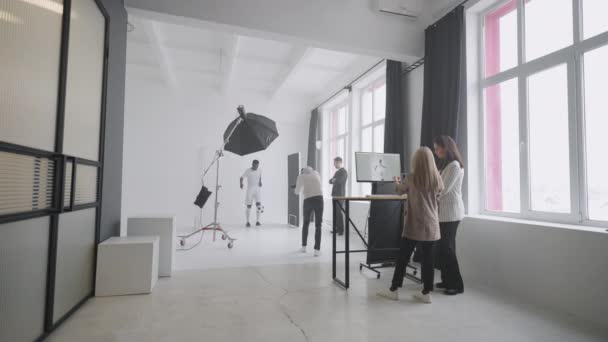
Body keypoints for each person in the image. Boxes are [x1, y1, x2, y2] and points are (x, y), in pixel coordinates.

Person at [377, 147, 444, 303]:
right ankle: (426, 293)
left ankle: (394, 290)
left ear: (416, 161)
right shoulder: (437, 178)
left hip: (415, 224)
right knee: (429, 260)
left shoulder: (411, 178)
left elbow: (400, 191)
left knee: (403, 258)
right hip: (432, 224)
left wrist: (396, 181)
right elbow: (438, 196)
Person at [433, 136, 465, 295]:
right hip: (445, 213)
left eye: (438, 147)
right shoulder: (447, 165)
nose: (436, 150)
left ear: (446, 148)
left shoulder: (454, 165)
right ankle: (447, 280)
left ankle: (456, 285)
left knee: (447, 249)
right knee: (443, 248)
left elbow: (443, 189)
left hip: (451, 213)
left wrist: (432, 193)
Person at [294, 166, 323, 256]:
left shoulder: (301, 176)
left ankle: (303, 247)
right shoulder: (316, 173)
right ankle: (317, 251)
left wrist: (296, 188)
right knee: (318, 225)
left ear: (302, 171)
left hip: (308, 200)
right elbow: (317, 185)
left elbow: (297, 192)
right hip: (319, 199)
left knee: (306, 223)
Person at [240, 160, 263, 227]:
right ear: (252, 164)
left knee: (258, 205)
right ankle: (247, 222)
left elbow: (260, 176)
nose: (256, 167)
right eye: (255, 165)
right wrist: (241, 184)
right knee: (249, 206)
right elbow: (241, 177)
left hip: (257, 190)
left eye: (257, 165)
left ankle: (258, 221)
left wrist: (260, 182)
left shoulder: (259, 170)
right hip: (250, 190)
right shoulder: (248, 171)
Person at [329, 157, 348, 235]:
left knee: (338, 212)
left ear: (339, 162)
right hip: (335, 195)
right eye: (334, 163)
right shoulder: (337, 172)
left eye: (335, 163)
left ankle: (341, 230)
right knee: (335, 212)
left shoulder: (344, 172)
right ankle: (336, 228)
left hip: (340, 195)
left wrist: (334, 180)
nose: (334, 165)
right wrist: (334, 180)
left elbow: (339, 181)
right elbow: (330, 181)